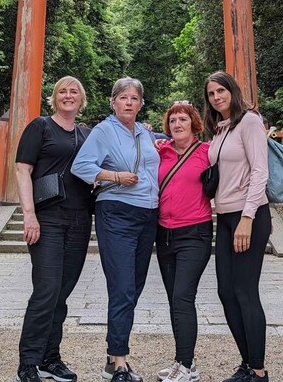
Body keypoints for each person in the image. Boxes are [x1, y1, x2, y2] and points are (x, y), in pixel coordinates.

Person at [71, 77, 160, 382]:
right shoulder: (104, 130)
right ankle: (119, 362)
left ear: (141, 104)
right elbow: (81, 166)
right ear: (113, 102)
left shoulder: (145, 134)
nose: (129, 102)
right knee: (122, 287)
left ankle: (113, 355)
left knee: (133, 287)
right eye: (123, 97)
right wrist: (116, 176)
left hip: (148, 215)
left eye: (135, 98)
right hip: (116, 212)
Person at [15, 76, 92, 382]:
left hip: (79, 218)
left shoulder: (87, 134)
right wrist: (29, 214)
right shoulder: (41, 126)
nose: (68, 95)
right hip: (47, 217)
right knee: (46, 290)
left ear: (81, 99)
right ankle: (28, 361)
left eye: (74, 91)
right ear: (54, 97)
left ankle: (50, 358)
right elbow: (23, 169)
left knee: (62, 292)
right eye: (63, 91)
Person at [203, 71, 271, 382]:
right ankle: (247, 363)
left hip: (249, 216)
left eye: (221, 91)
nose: (217, 97)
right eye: (211, 94)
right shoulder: (219, 129)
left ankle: (257, 370)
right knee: (225, 292)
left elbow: (260, 171)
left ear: (232, 90)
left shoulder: (250, 122)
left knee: (245, 291)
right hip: (226, 217)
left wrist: (247, 217)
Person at [153, 101, 212, 382]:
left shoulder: (207, 152)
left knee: (182, 297)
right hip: (164, 234)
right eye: (173, 120)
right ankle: (181, 360)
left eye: (183, 120)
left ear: (194, 124)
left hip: (195, 232)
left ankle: (187, 366)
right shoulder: (160, 152)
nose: (177, 124)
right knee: (173, 300)